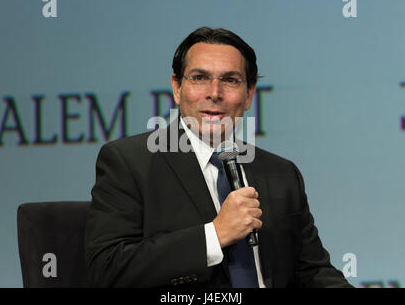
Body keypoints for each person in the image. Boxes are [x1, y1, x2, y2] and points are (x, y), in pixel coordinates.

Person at [84, 27, 352, 288]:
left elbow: (312, 271)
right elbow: (107, 270)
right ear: (177, 88)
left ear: (249, 95)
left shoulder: (281, 173)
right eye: (199, 78)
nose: (214, 92)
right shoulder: (131, 162)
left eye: (230, 80)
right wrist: (214, 235)